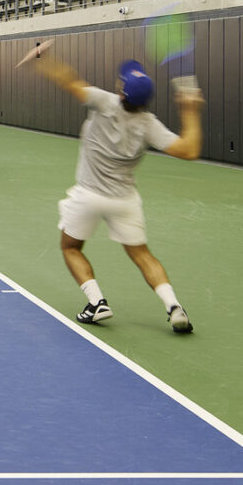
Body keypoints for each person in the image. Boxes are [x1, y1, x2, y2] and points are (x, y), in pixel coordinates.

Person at [22, 42, 202, 334]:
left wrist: (41, 59)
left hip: (88, 196)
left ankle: (97, 303)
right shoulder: (149, 124)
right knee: (142, 255)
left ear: (121, 91)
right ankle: (174, 307)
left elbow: (69, 81)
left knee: (70, 247)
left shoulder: (104, 101)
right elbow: (189, 150)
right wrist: (190, 110)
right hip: (125, 201)